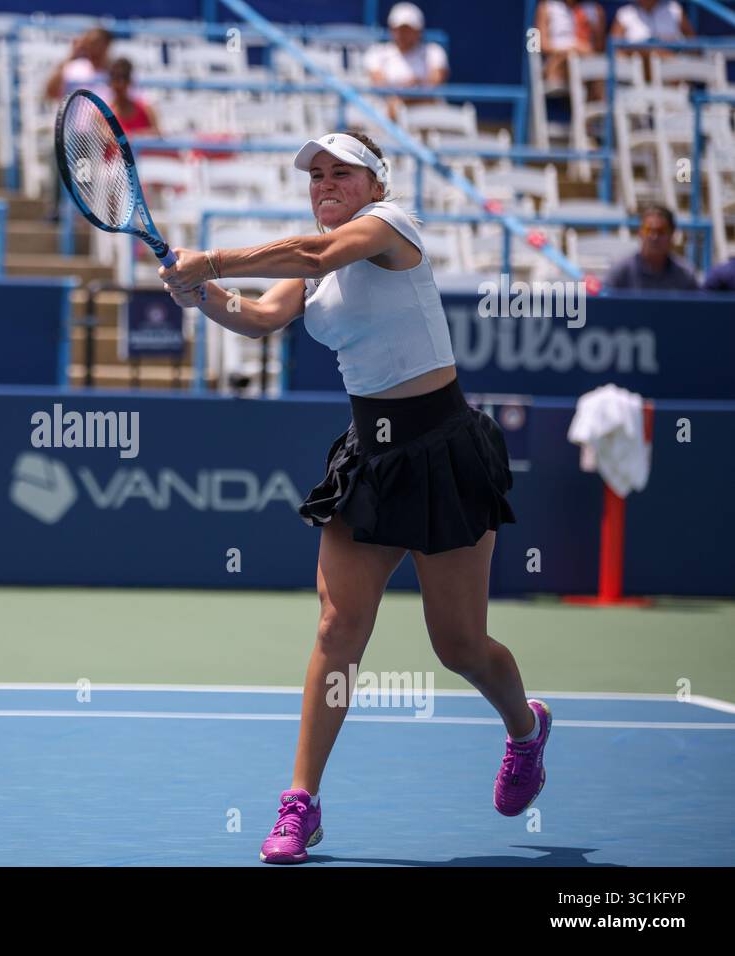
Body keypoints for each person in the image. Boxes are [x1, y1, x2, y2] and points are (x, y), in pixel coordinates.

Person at [158, 131, 549, 865]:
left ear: (375, 183)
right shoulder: (318, 261)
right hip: (369, 456)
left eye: (343, 172)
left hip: (444, 453)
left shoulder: (391, 227)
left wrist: (207, 259)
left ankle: (525, 730)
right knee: (338, 629)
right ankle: (300, 804)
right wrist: (200, 293)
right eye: (317, 175)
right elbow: (262, 315)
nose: (326, 182)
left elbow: (311, 255)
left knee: (458, 645)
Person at [604, 205, 699, 291]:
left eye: (661, 231)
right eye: (648, 230)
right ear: (640, 233)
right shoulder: (621, 272)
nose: (654, 237)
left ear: (672, 234)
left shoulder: (685, 275)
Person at [363, 3, 448, 89]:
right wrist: (411, 88)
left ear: (418, 31)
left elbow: (436, 81)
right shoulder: (376, 52)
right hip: (387, 102)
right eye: (398, 29)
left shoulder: (434, 51)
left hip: (426, 102)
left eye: (408, 30)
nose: (402, 34)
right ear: (391, 29)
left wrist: (414, 88)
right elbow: (379, 83)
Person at [535, 0, 607, 91]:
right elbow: (542, 45)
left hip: (582, 60)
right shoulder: (546, 7)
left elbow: (599, 48)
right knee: (580, 58)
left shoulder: (593, 10)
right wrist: (572, 49)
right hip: (555, 65)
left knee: (596, 65)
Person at [43, 27, 111, 102]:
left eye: (97, 43)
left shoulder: (116, 74)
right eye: (90, 43)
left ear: (107, 45)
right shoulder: (72, 67)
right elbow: (51, 92)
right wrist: (72, 55)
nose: (94, 48)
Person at [105, 58, 159, 138]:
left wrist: (132, 136)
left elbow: (158, 135)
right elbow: (105, 138)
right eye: (115, 78)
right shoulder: (101, 115)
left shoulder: (146, 110)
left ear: (130, 81)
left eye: (124, 77)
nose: (120, 84)